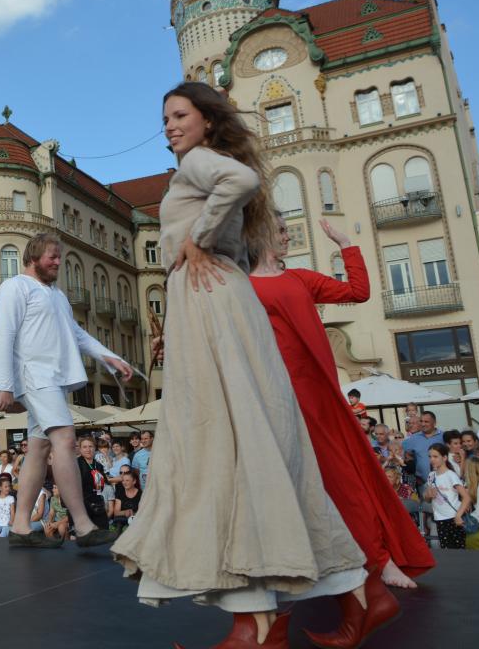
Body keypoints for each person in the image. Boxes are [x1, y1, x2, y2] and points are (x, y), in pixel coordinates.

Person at [112, 82, 385, 649]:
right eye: (164, 117)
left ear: (207, 122)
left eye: (179, 114)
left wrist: (196, 239)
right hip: (219, 298)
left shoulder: (199, 164)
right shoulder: (207, 165)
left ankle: (258, 622)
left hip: (208, 300)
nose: (168, 125)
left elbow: (241, 183)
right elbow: (238, 215)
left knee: (223, 443)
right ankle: (345, 594)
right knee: (250, 445)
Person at [249, 213, 434, 588]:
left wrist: (345, 244)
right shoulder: (240, 285)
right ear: (258, 232)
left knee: (346, 478)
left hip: (314, 395)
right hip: (271, 396)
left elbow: (357, 291)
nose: (287, 236)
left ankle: (381, 560)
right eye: (281, 229)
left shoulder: (299, 278)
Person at [0, 231, 135, 550]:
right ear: (33, 257)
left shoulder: (57, 295)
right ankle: (83, 526)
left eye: (60, 257)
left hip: (52, 378)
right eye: (52, 257)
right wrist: (2, 385)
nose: (58, 262)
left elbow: (78, 335)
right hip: (33, 374)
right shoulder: (16, 286)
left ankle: (21, 526)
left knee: (40, 448)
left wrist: (111, 357)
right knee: (66, 439)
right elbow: (3, 334)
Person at [425, 444, 468, 549]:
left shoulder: (450, 475)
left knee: (458, 548)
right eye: (430, 457)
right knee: (446, 548)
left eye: (435, 457)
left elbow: (466, 497)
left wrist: (458, 515)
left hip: (453, 517)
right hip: (439, 518)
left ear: (444, 457)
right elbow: (428, 499)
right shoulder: (431, 475)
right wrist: (429, 495)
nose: (432, 460)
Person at [403, 411, 443, 494]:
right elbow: (399, 450)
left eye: (426, 421)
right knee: (426, 507)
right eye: (421, 421)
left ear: (434, 423)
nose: (423, 424)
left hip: (443, 482)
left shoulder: (443, 436)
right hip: (423, 484)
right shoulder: (413, 438)